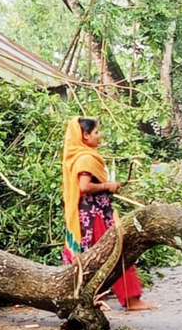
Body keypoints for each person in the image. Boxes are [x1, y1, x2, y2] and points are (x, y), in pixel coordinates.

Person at [61, 117, 156, 311]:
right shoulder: (85, 158)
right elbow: (84, 186)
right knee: (117, 252)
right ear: (85, 135)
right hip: (94, 215)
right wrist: (108, 186)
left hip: (87, 215)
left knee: (93, 258)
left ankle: (91, 299)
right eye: (96, 132)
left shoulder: (78, 155)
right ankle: (131, 299)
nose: (99, 136)